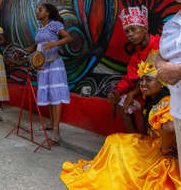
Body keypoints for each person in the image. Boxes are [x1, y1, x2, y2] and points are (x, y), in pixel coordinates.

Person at [61, 51, 180, 189]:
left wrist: (165, 149)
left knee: (119, 147)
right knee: (115, 141)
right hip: (153, 145)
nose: (143, 84)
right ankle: (100, 169)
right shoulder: (153, 100)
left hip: (164, 154)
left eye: (148, 79)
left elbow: (169, 128)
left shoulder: (167, 101)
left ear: (161, 83)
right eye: (141, 80)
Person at [107, 5, 160, 133]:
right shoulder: (136, 57)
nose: (130, 34)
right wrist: (116, 93)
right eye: (127, 31)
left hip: (163, 93)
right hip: (146, 92)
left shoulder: (159, 44)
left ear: (145, 28)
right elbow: (129, 79)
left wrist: (133, 93)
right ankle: (134, 139)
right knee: (122, 102)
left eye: (133, 29)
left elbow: (160, 78)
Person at [26, 3, 72, 144]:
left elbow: (68, 38)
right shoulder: (39, 29)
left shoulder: (55, 25)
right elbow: (37, 45)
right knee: (50, 95)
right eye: (37, 10)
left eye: (40, 10)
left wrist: (54, 44)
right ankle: (52, 124)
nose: (37, 12)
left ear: (48, 13)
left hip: (54, 64)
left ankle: (56, 133)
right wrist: (25, 50)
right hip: (43, 66)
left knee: (56, 96)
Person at [157, 0, 181, 172]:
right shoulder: (172, 23)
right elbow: (160, 55)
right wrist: (160, 66)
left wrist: (178, 71)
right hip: (179, 108)